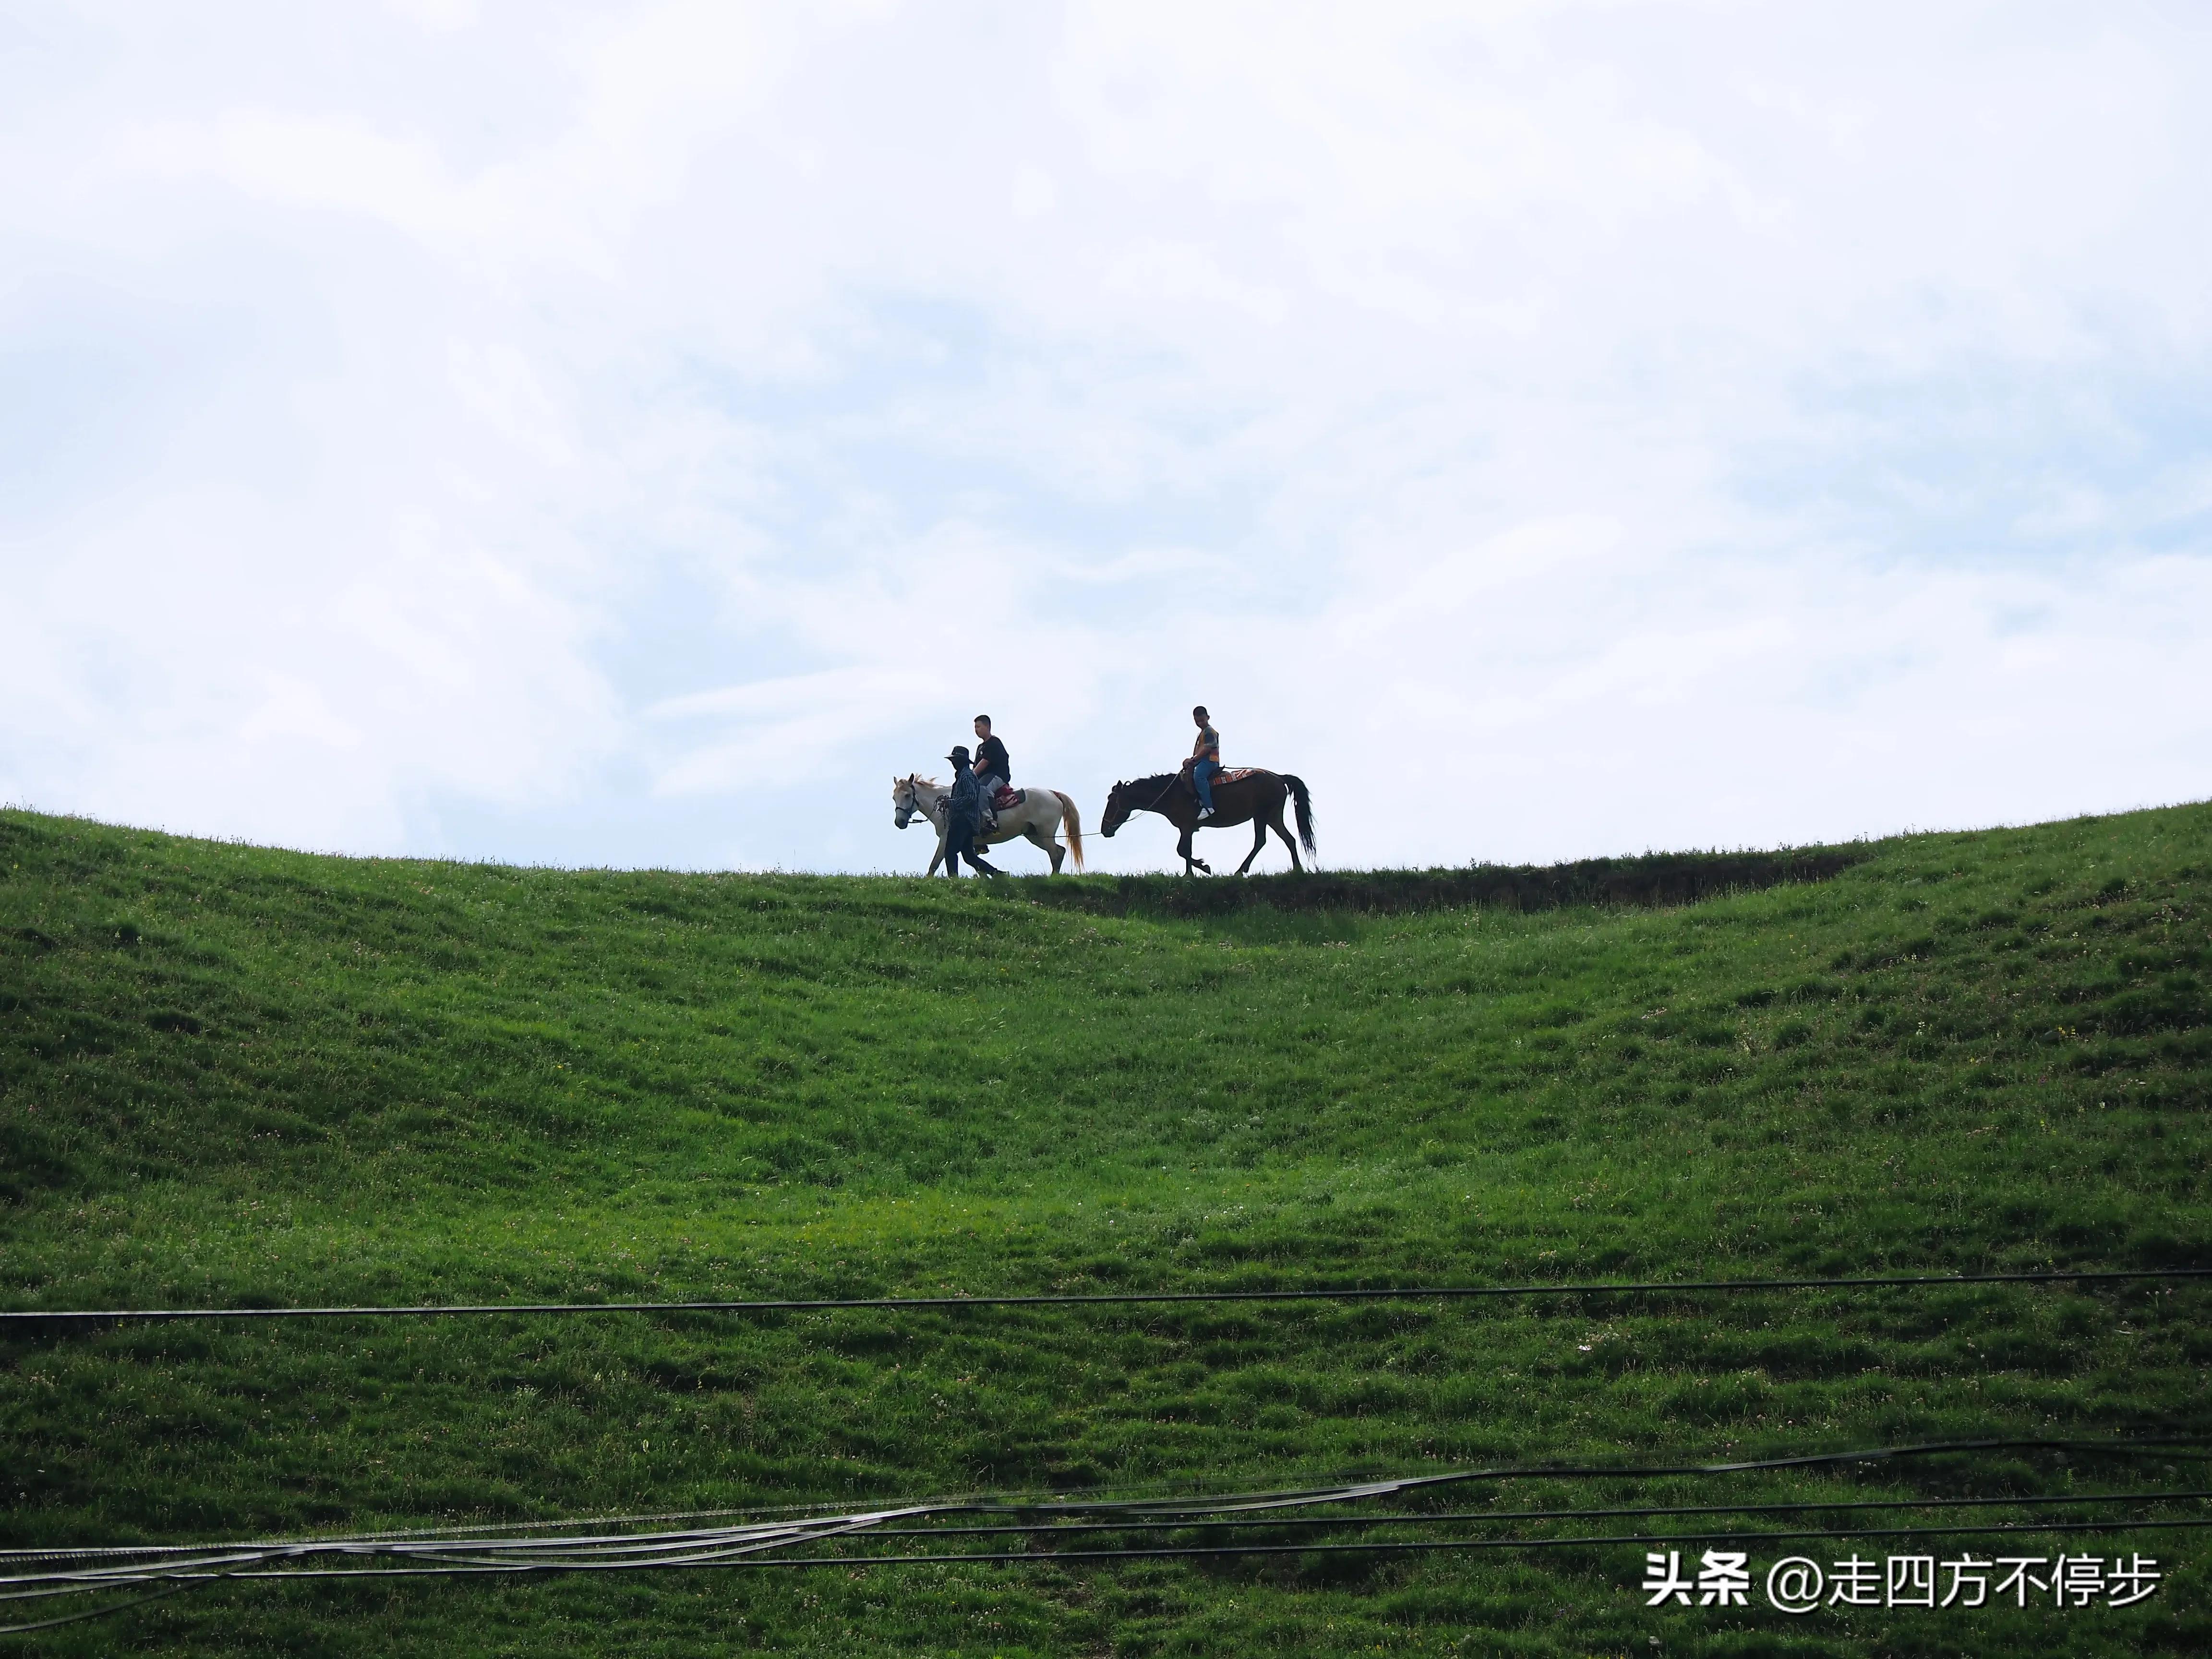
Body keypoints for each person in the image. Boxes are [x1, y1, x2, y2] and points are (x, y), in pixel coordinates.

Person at [941, 745, 1001, 878]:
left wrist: (951, 803)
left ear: (961, 762)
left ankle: (954, 880)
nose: (953, 764)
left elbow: (971, 797)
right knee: (969, 857)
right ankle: (996, 874)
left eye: (955, 761)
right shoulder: (964, 776)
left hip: (962, 820)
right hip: (968, 821)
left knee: (950, 852)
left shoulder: (967, 776)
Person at [972, 715, 1010, 831]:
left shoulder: (994, 743)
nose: (976, 730)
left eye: (978, 726)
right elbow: (976, 766)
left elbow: (984, 763)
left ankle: (991, 821)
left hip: (997, 776)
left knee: (982, 789)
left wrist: (970, 777)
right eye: (975, 727)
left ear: (987, 727)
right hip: (984, 777)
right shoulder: (980, 747)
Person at [1189, 704, 1221, 822]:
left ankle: (1208, 807)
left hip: (1210, 761)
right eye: (1198, 721)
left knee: (1199, 776)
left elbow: (1207, 749)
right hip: (1201, 761)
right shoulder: (1201, 734)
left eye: (1202, 720)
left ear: (1208, 717)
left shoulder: (1209, 731)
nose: (1200, 723)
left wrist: (1193, 760)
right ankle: (1200, 798)